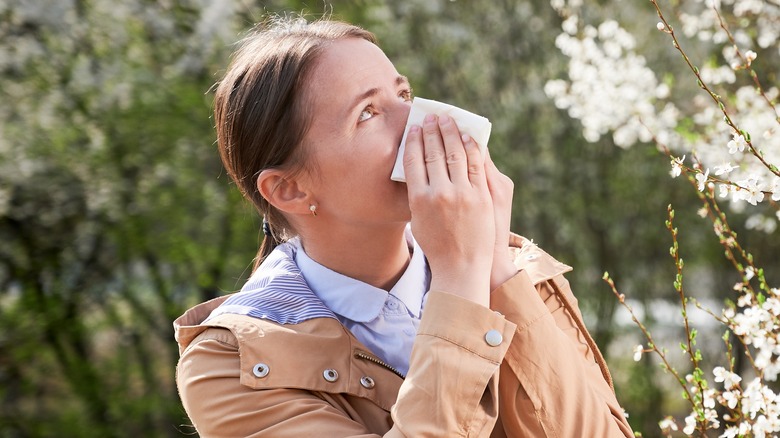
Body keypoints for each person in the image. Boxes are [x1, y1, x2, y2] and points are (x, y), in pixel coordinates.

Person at [174, 16, 634, 437]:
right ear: (290, 191)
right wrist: (458, 279)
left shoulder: (521, 274)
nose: (421, 122)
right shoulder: (229, 366)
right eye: (368, 113)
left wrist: (492, 267)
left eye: (403, 95)